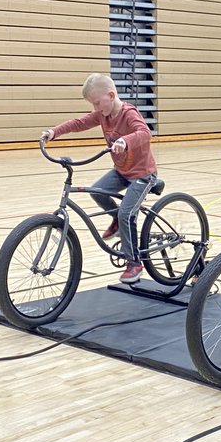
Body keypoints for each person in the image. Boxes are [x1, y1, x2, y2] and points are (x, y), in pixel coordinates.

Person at [41, 73, 157, 285]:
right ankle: (116, 219)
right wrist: (54, 132)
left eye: (97, 103)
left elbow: (145, 133)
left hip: (142, 174)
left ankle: (134, 263)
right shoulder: (103, 115)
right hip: (122, 171)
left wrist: (125, 140)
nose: (95, 109)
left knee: (126, 213)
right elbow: (79, 123)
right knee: (96, 191)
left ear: (111, 95)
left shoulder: (128, 113)